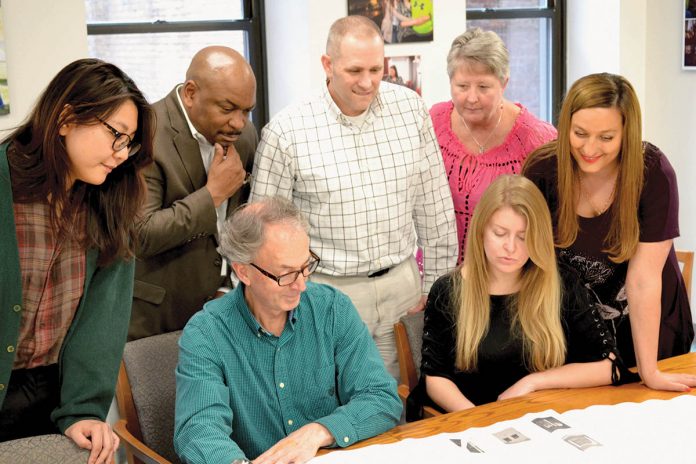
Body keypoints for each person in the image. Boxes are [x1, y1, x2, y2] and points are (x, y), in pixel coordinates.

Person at [250, 15, 458, 379]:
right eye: (355, 70)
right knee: (332, 399)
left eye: (376, 69)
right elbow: (262, 236)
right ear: (327, 65)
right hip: (328, 291)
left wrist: (435, 286)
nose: (368, 82)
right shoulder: (286, 132)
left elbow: (435, 206)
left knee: (400, 402)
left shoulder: (411, 111)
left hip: (402, 288)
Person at [0, 58, 154, 463]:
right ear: (66, 119)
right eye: (116, 135)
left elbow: (100, 327)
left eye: (129, 141)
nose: (122, 153)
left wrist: (84, 410)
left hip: (52, 398)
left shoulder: (109, 205)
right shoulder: (7, 190)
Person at [174, 196, 401, 464]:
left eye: (305, 267)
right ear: (243, 272)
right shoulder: (206, 334)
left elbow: (381, 397)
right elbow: (198, 430)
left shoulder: (332, 309)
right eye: (285, 274)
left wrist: (319, 432)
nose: (301, 285)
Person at [523, 73, 696, 391]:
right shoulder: (542, 171)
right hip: (580, 328)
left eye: (606, 137)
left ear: (626, 133)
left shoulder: (653, 173)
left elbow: (643, 281)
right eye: (580, 133)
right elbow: (529, 261)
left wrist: (650, 372)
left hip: (648, 326)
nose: (590, 148)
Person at [407, 175, 626, 420]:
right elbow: (435, 378)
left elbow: (610, 366)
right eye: (500, 233)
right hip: (475, 425)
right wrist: (481, 419)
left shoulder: (562, 282)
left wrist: (534, 382)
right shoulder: (449, 291)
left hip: (547, 420)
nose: (510, 247)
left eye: (523, 237)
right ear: (481, 232)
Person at [130, 46, 258, 340]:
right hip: (157, 316)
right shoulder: (146, 132)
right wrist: (212, 195)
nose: (239, 123)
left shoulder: (245, 135)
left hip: (226, 306)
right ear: (190, 93)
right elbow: (140, 234)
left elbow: (241, 219)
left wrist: (230, 285)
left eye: (246, 111)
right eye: (227, 109)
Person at [431, 28, 557, 264]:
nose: (471, 97)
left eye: (483, 87)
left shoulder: (537, 139)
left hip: (508, 274)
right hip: (441, 272)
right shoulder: (434, 122)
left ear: (504, 82)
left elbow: (551, 221)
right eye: (462, 86)